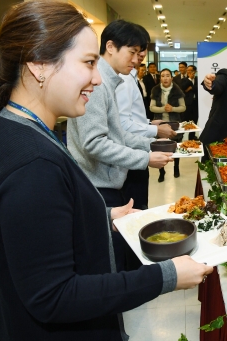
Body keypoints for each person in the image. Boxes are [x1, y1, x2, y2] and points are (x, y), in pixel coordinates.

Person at [0, 0, 212, 341]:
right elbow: (54, 296)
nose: (97, 79)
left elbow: (34, 225)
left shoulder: (13, 128)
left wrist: (99, 214)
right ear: (39, 64)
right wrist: (166, 276)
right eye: (88, 63)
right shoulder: (30, 161)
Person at [67, 19, 173, 271]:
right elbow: (94, 143)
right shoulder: (98, 83)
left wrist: (152, 145)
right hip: (97, 184)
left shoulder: (110, 80)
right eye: (133, 52)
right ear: (111, 47)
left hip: (108, 180)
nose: (137, 60)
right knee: (106, 259)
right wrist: (146, 158)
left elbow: (118, 135)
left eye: (140, 54)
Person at [116, 37, 177, 211]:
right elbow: (122, 124)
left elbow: (129, 116)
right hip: (130, 153)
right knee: (134, 207)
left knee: (140, 203)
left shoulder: (131, 76)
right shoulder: (123, 79)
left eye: (142, 50)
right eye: (134, 51)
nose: (140, 55)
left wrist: (149, 123)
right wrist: (155, 130)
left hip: (137, 148)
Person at [150, 68, 186, 181]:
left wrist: (172, 109)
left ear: (171, 77)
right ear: (160, 78)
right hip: (160, 124)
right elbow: (151, 108)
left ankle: (176, 167)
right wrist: (163, 109)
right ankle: (162, 171)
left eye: (167, 75)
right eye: (163, 76)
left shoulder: (177, 90)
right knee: (160, 148)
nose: (165, 78)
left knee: (176, 147)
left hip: (174, 124)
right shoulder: (155, 90)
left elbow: (183, 107)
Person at [184, 64, 199, 140]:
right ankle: (180, 137)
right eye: (188, 70)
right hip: (187, 104)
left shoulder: (198, 79)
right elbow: (183, 88)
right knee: (184, 121)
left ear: (195, 71)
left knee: (194, 121)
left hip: (196, 103)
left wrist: (191, 87)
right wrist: (189, 79)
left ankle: (192, 137)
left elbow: (199, 88)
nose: (189, 72)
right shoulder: (185, 79)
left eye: (191, 71)